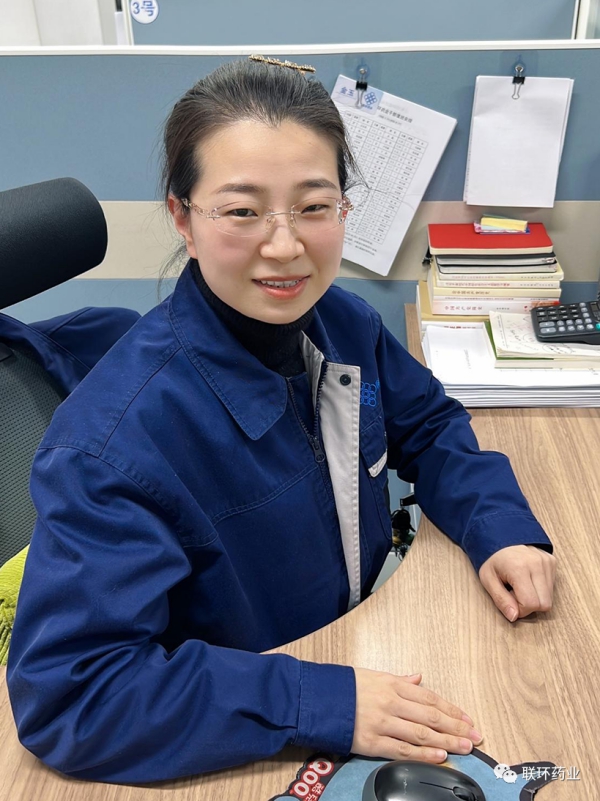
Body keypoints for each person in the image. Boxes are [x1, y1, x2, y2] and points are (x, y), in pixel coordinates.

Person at [7, 57, 556, 785]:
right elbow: (74, 695)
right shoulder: (111, 446)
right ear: (183, 218)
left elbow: (427, 424)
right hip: (250, 728)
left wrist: (499, 523)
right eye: (242, 211)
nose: (286, 245)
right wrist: (318, 700)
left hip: (357, 644)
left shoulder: (341, 323)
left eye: (314, 206)